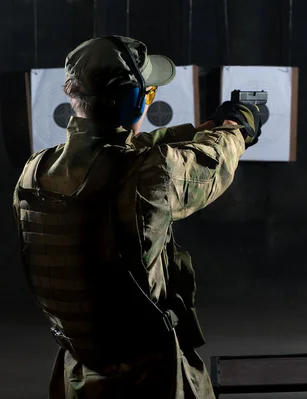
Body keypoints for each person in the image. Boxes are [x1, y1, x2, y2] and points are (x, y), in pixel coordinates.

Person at [13, 35, 262, 398]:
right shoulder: (148, 174)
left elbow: (121, 155)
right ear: (134, 101)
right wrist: (235, 129)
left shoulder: (35, 170)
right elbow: (209, 162)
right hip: (148, 379)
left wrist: (198, 129)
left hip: (80, 372)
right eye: (149, 94)